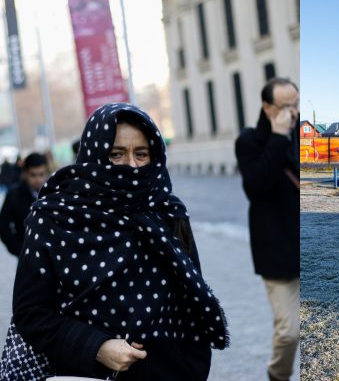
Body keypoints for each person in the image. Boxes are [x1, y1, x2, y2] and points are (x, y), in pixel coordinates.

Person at [11, 103, 228, 380]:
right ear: (94, 154)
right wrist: (96, 347)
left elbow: (190, 297)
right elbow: (31, 313)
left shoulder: (168, 210)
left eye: (141, 154)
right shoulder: (53, 218)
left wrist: (194, 364)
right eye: (116, 154)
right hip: (88, 373)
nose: (132, 166)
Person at [235, 77, 300, 381]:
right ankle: (278, 376)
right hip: (276, 250)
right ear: (267, 107)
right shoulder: (249, 141)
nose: (292, 112)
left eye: (295, 104)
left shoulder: (302, 136)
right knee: (289, 331)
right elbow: (256, 187)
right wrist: (278, 137)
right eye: (285, 106)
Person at [0, 152, 49, 256]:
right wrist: (19, 250)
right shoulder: (14, 195)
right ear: (26, 173)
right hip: (28, 258)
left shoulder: (54, 193)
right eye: (33, 175)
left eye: (41, 174)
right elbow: (3, 225)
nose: (38, 179)